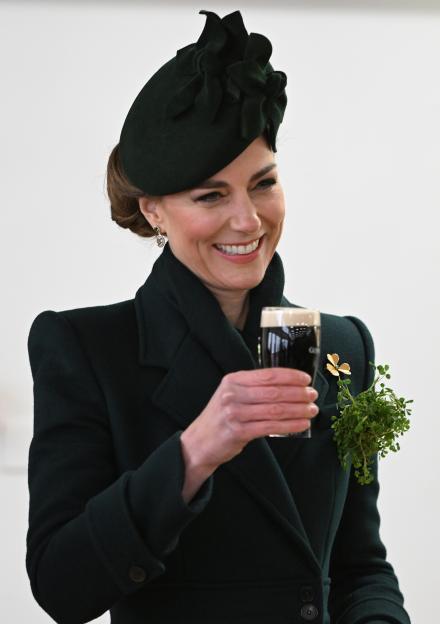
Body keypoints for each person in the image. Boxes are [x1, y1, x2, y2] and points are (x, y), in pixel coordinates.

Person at [26, 9, 411, 624]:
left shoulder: (344, 344)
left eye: (263, 184)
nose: (249, 221)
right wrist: (196, 450)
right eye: (211, 195)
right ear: (153, 211)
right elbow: (60, 586)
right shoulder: (86, 348)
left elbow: (359, 566)